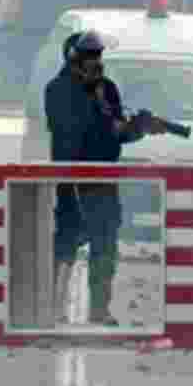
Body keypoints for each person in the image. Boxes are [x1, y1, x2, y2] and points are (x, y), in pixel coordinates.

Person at [44, 30, 167, 326]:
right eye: (89, 57)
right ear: (73, 58)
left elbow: (116, 134)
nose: (96, 63)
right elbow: (71, 130)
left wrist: (138, 128)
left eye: (98, 56)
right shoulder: (57, 90)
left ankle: (99, 308)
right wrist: (98, 108)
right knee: (65, 243)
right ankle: (53, 308)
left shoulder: (107, 89)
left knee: (105, 245)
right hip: (71, 179)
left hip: (103, 182)